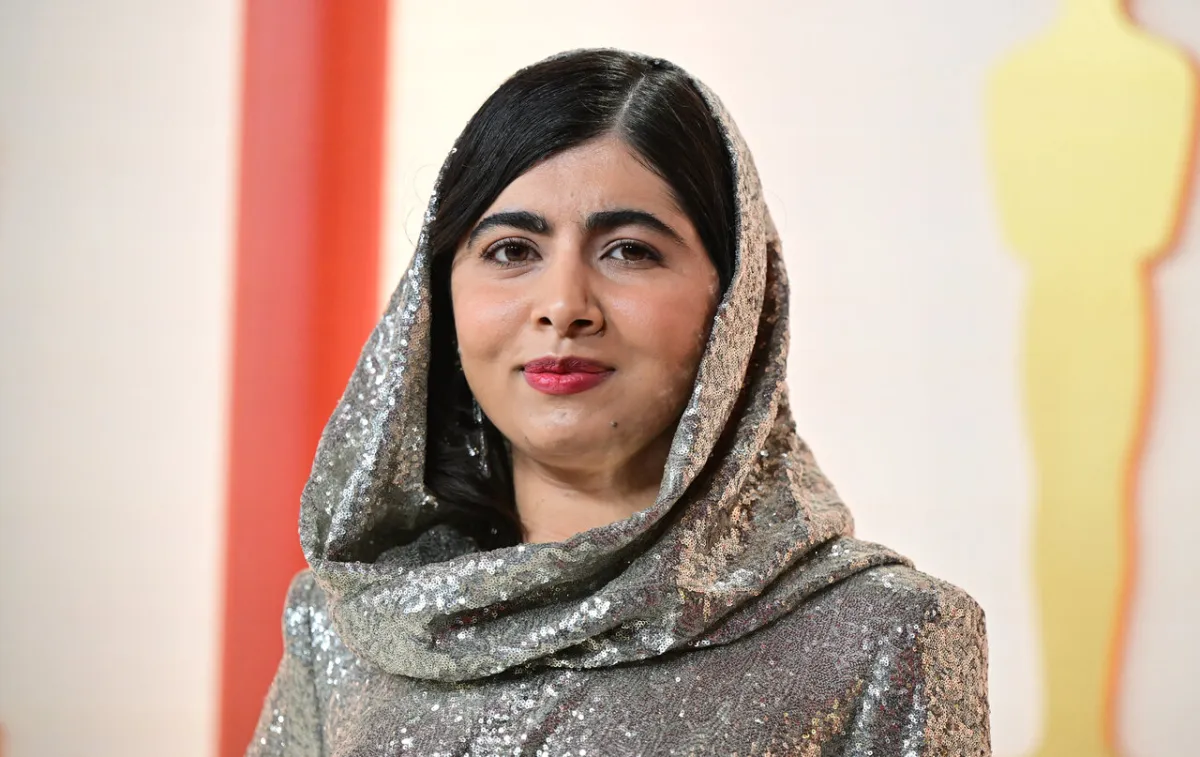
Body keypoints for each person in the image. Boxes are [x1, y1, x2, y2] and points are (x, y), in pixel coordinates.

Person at [247, 49, 990, 756]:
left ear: (735, 302)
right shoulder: (349, 623)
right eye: (512, 251)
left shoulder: (876, 634)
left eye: (629, 250)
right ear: (437, 301)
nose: (564, 305)